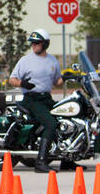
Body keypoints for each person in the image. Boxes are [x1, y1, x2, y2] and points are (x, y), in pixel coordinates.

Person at [8, 28, 64, 173]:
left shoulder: (53, 61)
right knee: (51, 123)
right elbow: (12, 79)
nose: (33, 46)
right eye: (32, 43)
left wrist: (67, 77)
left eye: (36, 43)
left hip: (46, 98)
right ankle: (40, 162)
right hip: (31, 99)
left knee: (65, 117)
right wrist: (22, 84)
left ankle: (67, 161)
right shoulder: (25, 61)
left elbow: (57, 82)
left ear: (45, 44)